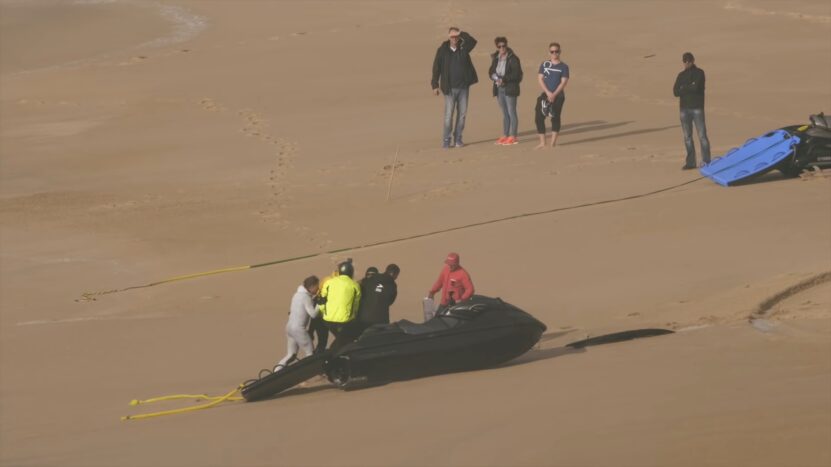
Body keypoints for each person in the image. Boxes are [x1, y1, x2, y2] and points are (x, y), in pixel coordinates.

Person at [431, 27, 478, 149]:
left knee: (462, 115)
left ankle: (458, 139)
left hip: (463, 88)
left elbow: (473, 41)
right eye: (452, 36)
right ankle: (446, 140)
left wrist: (461, 33)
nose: (454, 38)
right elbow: (436, 68)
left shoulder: (464, 47)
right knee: (448, 115)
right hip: (449, 89)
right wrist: (434, 85)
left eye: (456, 36)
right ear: (448, 37)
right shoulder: (442, 50)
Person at [274, 275, 320, 373]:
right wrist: (320, 304)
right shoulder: (306, 297)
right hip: (298, 329)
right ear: (311, 287)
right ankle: (310, 372)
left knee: (291, 355)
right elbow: (313, 315)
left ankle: (276, 371)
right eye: (317, 286)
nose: (318, 289)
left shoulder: (297, 295)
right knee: (310, 353)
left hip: (289, 327)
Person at [673, 52, 711, 169]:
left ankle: (706, 161)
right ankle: (690, 162)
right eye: (685, 61)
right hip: (684, 110)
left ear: (693, 60)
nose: (687, 63)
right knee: (687, 137)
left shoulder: (700, 73)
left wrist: (684, 88)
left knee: (702, 136)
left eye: (689, 60)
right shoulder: (680, 75)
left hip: (697, 108)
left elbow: (696, 88)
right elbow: (675, 92)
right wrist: (688, 87)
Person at [319, 260, 362, 350]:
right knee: (346, 339)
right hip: (344, 321)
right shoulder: (355, 285)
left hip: (327, 320)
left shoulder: (329, 282)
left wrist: (324, 312)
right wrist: (354, 316)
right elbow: (356, 305)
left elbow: (322, 300)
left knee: (340, 338)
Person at [534, 42, 569, 150]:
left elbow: (563, 82)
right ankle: (542, 142)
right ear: (549, 52)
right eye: (552, 51)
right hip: (546, 94)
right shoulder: (544, 64)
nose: (554, 53)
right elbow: (540, 79)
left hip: (558, 95)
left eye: (556, 51)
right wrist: (548, 93)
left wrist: (554, 94)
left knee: (555, 117)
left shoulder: (564, 67)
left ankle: (553, 143)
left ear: (560, 52)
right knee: (539, 117)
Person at [489, 36, 523, 146]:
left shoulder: (513, 58)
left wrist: (504, 79)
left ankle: (513, 136)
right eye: (499, 46)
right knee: (505, 113)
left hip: (510, 88)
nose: (502, 48)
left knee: (511, 111)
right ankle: (505, 135)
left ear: (506, 45)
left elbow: (517, 74)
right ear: (497, 47)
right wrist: (495, 78)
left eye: (504, 46)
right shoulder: (495, 58)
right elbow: (491, 72)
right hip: (499, 88)